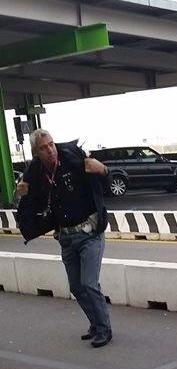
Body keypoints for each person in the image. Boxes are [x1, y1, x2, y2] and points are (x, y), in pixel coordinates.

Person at [15, 129, 113, 348]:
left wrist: (104, 170)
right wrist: (20, 195)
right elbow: (29, 205)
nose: (50, 150)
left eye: (51, 144)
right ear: (35, 152)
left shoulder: (73, 158)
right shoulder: (35, 172)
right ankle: (95, 324)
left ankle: (104, 329)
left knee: (88, 284)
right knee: (76, 287)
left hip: (90, 234)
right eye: (43, 148)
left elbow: (105, 187)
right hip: (66, 237)